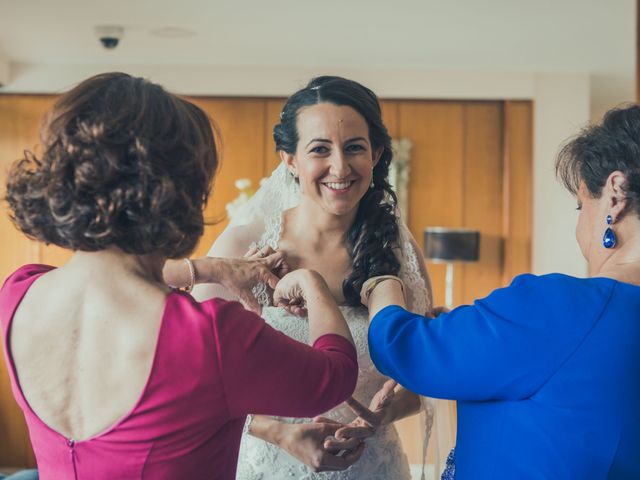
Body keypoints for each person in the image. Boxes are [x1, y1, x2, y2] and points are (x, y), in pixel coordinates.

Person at [0, 72, 359, 480]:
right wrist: (313, 284)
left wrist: (208, 268)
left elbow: (111, 280)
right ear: (181, 191)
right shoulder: (210, 337)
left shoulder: (18, 293)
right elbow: (336, 376)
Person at [360, 104, 640, 479]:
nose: (580, 225)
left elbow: (404, 347)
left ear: (616, 195)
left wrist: (382, 281)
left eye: (581, 204)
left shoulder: (564, 308)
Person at [194, 76, 437, 479]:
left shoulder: (396, 248)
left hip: (373, 465)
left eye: (355, 147)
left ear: (375, 154)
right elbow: (191, 377)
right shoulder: (247, 246)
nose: (339, 167)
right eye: (320, 149)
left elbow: (419, 376)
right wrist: (278, 433)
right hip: (269, 464)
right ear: (290, 160)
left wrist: (382, 414)